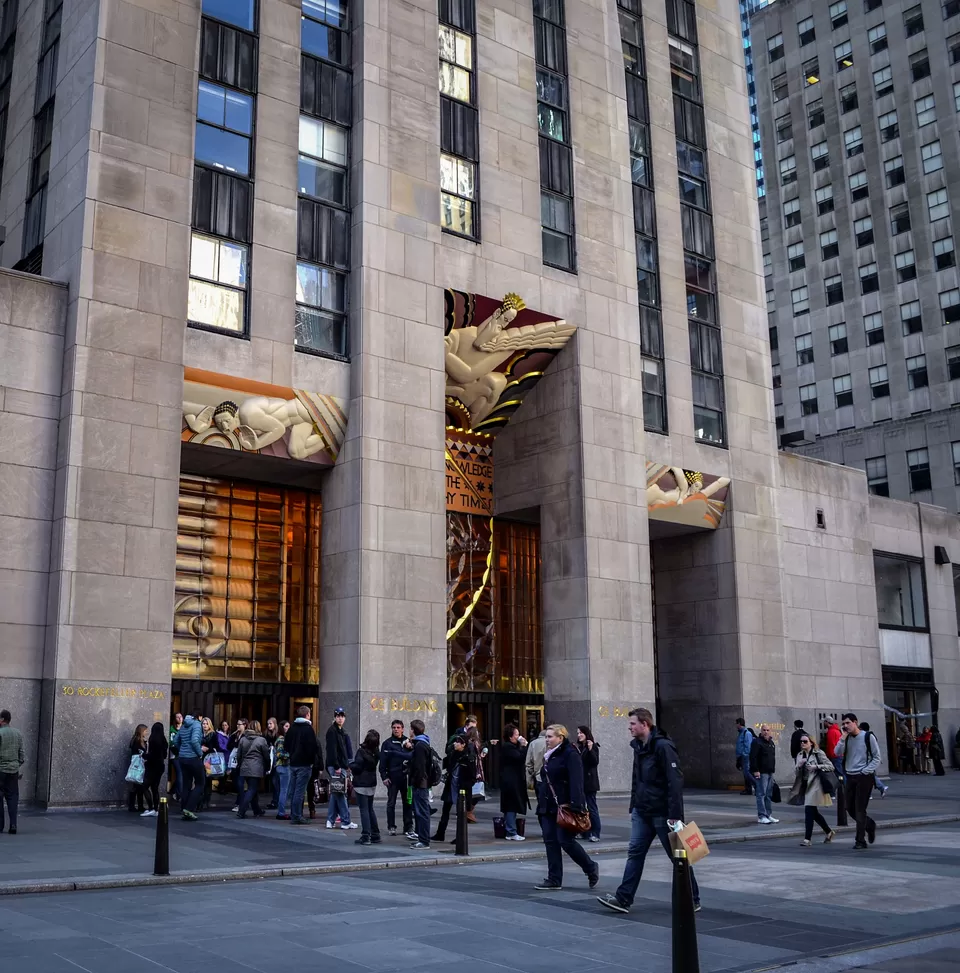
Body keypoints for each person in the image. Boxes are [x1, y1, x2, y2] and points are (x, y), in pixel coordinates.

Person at [597, 708, 699, 914]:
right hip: (642, 811)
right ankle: (623, 898)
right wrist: (633, 805)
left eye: (633, 723)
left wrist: (675, 815)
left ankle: (692, 899)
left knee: (677, 857)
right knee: (635, 853)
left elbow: (674, 781)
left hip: (662, 813)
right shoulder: (639, 746)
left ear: (645, 724)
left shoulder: (663, 746)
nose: (629, 727)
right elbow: (637, 780)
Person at [534, 724, 598, 891]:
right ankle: (554, 879)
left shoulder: (570, 754)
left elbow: (577, 781)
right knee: (550, 841)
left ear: (560, 738)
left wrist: (577, 806)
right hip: (547, 805)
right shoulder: (549, 755)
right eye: (546, 736)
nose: (547, 740)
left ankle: (590, 867)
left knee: (565, 841)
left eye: (550, 737)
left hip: (564, 805)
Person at [834, 713, 881, 850]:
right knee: (849, 808)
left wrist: (865, 771)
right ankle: (869, 824)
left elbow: (877, 757)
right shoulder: (846, 738)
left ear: (855, 722)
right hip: (850, 776)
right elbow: (837, 752)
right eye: (843, 723)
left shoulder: (868, 737)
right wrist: (842, 738)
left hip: (864, 777)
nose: (845, 726)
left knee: (860, 809)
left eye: (848, 723)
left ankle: (860, 840)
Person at [790, 733, 837, 846]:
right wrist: (799, 765)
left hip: (816, 784)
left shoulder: (818, 753)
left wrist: (816, 767)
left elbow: (831, 766)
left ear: (811, 742)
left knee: (808, 810)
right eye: (801, 741)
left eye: (805, 741)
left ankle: (807, 839)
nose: (802, 743)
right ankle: (829, 832)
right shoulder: (800, 755)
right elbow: (796, 773)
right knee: (813, 812)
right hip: (805, 785)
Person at [432, 733, 475, 842]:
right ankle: (440, 834)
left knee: (461, 814)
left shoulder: (468, 758)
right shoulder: (453, 754)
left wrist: (465, 786)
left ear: (463, 745)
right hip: (450, 787)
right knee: (445, 811)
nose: (455, 744)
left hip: (461, 789)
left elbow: (472, 777)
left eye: (457, 742)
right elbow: (444, 763)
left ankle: (460, 837)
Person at [284, 705, 320, 825]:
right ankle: (297, 816)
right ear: (308, 714)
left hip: (293, 763)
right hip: (304, 764)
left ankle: (295, 814)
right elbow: (313, 748)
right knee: (300, 792)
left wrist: (292, 754)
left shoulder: (292, 728)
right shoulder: (308, 729)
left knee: (294, 790)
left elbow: (286, 745)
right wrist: (311, 761)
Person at [380, 719, 414, 838]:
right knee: (391, 803)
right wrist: (384, 777)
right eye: (394, 727)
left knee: (407, 803)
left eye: (398, 727)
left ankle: (408, 827)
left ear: (402, 729)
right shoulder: (387, 743)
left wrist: (411, 747)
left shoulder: (408, 742)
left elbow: (414, 757)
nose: (396, 729)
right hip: (392, 777)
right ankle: (391, 826)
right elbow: (382, 762)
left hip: (406, 778)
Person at [325, 707, 356, 829]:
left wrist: (346, 765)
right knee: (340, 793)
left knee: (336, 793)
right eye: (338, 716)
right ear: (335, 717)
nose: (340, 718)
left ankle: (330, 820)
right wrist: (337, 766)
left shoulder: (340, 731)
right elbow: (332, 750)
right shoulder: (332, 731)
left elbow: (343, 751)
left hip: (339, 765)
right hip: (336, 766)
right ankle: (345, 821)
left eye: (342, 716)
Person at [350, 730, 382, 845]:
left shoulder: (361, 751)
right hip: (371, 782)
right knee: (370, 809)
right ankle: (375, 834)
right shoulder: (376, 752)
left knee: (364, 810)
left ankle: (366, 835)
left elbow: (358, 766)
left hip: (361, 783)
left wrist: (350, 765)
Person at [172, 712, 204, 821]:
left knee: (186, 784)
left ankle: (184, 808)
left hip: (182, 758)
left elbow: (175, 740)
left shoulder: (184, 724)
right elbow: (194, 741)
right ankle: (189, 809)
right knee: (200, 783)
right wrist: (200, 753)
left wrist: (182, 749)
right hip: (193, 758)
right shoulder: (196, 724)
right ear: (198, 717)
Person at [500, 724, 529, 841]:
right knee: (511, 805)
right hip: (511, 780)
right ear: (510, 736)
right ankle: (511, 831)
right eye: (516, 734)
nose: (518, 737)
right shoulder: (508, 747)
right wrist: (524, 747)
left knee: (511, 805)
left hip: (512, 779)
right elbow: (519, 758)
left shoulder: (511, 747)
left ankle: (510, 830)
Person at [406, 718, 433, 849]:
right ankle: (422, 838)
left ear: (413, 730)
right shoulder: (423, 743)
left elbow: (420, 767)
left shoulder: (420, 746)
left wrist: (415, 780)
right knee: (422, 812)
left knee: (422, 813)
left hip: (420, 784)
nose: (409, 731)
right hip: (422, 783)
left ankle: (424, 840)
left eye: (410, 729)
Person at [236, 720, 270, 819]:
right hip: (256, 767)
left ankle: (256, 810)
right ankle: (241, 810)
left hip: (245, 767)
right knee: (252, 789)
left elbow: (239, 755)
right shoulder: (261, 740)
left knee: (252, 788)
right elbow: (266, 756)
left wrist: (240, 765)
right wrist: (267, 766)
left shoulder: (243, 739)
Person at [0, 709, 24, 834]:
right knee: (13, 797)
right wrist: (16, 765)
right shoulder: (17, 733)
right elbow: (22, 755)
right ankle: (13, 825)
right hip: (13, 771)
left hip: (0, 770)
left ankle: (0, 826)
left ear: (2, 719)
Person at [750, 724, 779, 825]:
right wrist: (755, 770)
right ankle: (762, 816)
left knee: (768, 794)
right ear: (761, 731)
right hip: (761, 772)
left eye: (767, 730)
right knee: (761, 794)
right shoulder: (757, 742)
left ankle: (768, 814)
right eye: (764, 730)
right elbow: (753, 757)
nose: (766, 732)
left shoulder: (771, 742)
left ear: (770, 731)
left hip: (770, 771)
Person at [577, 725, 601, 842]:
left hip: (590, 782)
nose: (579, 735)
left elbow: (595, 762)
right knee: (582, 808)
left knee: (592, 808)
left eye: (581, 733)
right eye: (578, 733)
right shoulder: (580, 747)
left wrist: (591, 749)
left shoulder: (593, 746)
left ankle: (595, 833)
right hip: (581, 782)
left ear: (586, 734)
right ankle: (585, 831)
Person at [143, 722, 167, 817]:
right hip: (160, 766)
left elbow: (152, 755)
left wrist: (144, 755)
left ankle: (151, 808)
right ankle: (156, 809)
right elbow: (164, 755)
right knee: (155, 788)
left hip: (152, 766)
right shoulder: (163, 740)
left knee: (145, 786)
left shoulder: (153, 739)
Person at [859, 723, 888, 797]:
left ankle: (877, 789)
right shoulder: (870, 736)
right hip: (870, 760)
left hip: (868, 760)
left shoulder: (867, 737)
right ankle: (880, 787)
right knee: (870, 776)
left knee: (869, 776)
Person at [199, 716, 221, 810]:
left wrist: (208, 749)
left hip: (209, 760)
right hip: (200, 759)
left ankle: (206, 801)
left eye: (206, 724)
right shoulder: (199, 734)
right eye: (203, 724)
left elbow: (217, 747)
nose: (204, 725)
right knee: (201, 780)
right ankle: (200, 801)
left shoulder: (213, 734)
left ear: (209, 725)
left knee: (208, 780)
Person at [127, 724, 149, 813]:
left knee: (138, 786)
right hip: (138, 766)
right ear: (141, 731)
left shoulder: (137, 740)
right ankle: (133, 806)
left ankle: (138, 805)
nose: (146, 732)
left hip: (138, 765)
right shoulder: (137, 741)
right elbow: (141, 752)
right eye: (145, 731)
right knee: (137, 786)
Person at [274, 723, 291, 819]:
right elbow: (279, 754)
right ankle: (281, 812)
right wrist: (290, 755)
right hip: (283, 766)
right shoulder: (281, 739)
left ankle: (281, 811)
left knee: (283, 790)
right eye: (286, 726)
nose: (288, 728)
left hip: (281, 766)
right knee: (284, 790)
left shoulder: (282, 738)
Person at [735, 718, 755, 796]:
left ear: (739, 724)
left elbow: (748, 746)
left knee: (747, 773)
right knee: (745, 774)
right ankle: (748, 789)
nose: (736, 725)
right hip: (741, 756)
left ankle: (757, 786)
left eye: (736, 724)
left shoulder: (747, 733)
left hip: (745, 757)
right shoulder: (741, 733)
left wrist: (744, 755)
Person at [526, 728, 548, 795]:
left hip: (538, 777)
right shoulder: (553, 743)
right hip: (551, 778)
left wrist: (531, 776)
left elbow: (528, 763)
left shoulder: (533, 743)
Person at [264, 717, 280, 809]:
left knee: (275, 782)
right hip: (270, 760)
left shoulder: (278, 734)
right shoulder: (266, 734)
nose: (269, 725)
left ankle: (276, 801)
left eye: (270, 723)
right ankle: (275, 801)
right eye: (268, 724)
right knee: (274, 782)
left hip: (277, 761)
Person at [169, 713, 183, 802]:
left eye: (181, 717)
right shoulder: (171, 729)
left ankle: (173, 790)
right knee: (180, 773)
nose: (180, 718)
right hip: (175, 755)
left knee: (181, 774)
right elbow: (170, 742)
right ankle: (180, 795)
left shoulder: (185, 728)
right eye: (177, 717)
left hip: (184, 754)